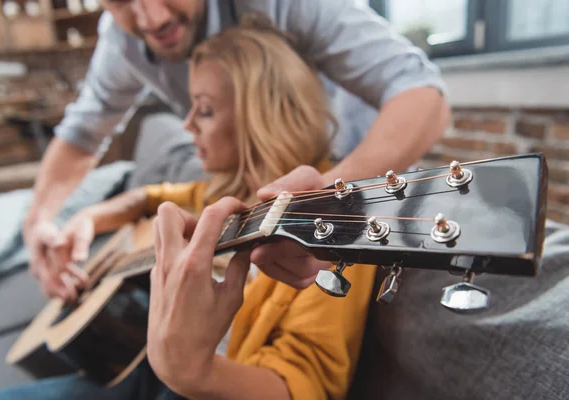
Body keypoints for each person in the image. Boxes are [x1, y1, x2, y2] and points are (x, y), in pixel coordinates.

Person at [0, 19, 375, 400]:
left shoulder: (331, 224)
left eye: (203, 110)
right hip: (137, 368)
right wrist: (87, 220)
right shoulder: (227, 190)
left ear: (261, 118)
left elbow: (304, 387)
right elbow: (152, 196)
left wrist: (192, 370)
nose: (186, 125)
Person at [23, 0, 451, 298]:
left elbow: (422, 95)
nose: (150, 17)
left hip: (348, 181)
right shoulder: (121, 43)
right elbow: (82, 134)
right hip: (259, 182)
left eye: (203, 110)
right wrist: (41, 220)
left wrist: (325, 195)